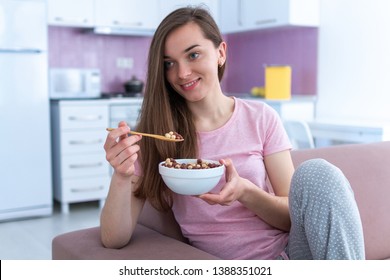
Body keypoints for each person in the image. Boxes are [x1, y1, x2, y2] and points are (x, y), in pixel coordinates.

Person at [101, 6, 365, 260]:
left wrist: (246, 193)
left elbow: (290, 218)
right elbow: (113, 239)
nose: (181, 73)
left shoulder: (261, 117)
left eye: (193, 55)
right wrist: (121, 176)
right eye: (169, 63)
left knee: (318, 171)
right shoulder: (155, 136)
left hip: (290, 255)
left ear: (220, 53)